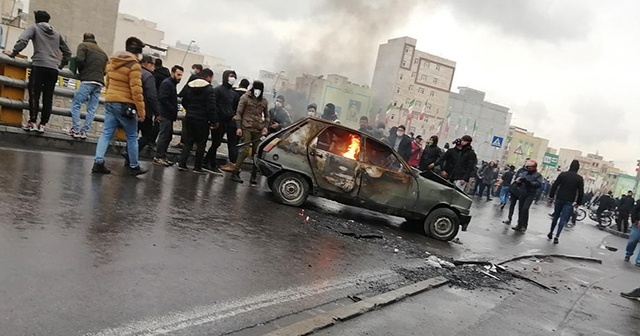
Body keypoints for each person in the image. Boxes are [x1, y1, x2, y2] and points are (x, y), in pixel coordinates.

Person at [4, 10, 71, 133]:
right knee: (48, 97)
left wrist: (13, 53)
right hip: (53, 69)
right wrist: (60, 65)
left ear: (36, 19)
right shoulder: (56, 33)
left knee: (34, 94)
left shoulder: (34, 28)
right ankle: (43, 124)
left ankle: (33, 121)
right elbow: (67, 52)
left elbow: (23, 41)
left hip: (39, 65)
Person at [91, 36, 146, 176]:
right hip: (125, 104)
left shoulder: (112, 61)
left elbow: (108, 82)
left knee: (106, 133)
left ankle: (98, 162)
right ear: (138, 53)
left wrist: (110, 97)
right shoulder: (134, 65)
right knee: (132, 136)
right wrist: (141, 111)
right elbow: (136, 90)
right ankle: (134, 166)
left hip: (110, 100)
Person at [68, 33, 108, 139]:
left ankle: (76, 129)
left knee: (76, 104)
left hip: (87, 80)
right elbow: (106, 70)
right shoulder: (103, 53)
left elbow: (80, 60)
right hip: (99, 82)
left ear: (84, 39)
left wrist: (80, 71)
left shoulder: (83, 46)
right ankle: (84, 131)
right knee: (91, 109)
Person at [177, 68, 216, 174]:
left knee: (188, 142)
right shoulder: (209, 89)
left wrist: (190, 110)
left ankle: (182, 164)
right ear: (208, 77)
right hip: (202, 120)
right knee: (201, 143)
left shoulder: (190, 86)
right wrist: (213, 121)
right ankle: (197, 167)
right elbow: (211, 107)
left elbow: (184, 101)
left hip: (189, 117)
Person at [231, 80, 269, 185]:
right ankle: (235, 171)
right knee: (245, 150)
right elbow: (238, 113)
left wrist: (265, 127)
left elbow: (267, 116)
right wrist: (238, 127)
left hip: (258, 128)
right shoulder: (245, 97)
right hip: (246, 127)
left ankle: (254, 175)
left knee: (257, 153)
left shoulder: (264, 101)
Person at [203, 70, 240, 175]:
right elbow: (214, 106)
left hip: (228, 122)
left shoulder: (234, 94)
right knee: (216, 142)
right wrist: (215, 120)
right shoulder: (218, 90)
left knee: (217, 143)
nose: (232, 78)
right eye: (231, 76)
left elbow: (234, 107)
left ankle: (207, 161)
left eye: (234, 76)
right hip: (218, 121)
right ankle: (209, 162)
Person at [153, 65, 183, 166]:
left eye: (181, 75)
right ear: (172, 73)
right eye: (178, 74)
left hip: (169, 115)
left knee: (168, 136)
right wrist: (172, 108)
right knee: (164, 136)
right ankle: (158, 157)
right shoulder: (167, 83)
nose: (180, 77)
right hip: (165, 114)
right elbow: (163, 98)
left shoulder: (171, 84)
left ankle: (163, 155)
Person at [547, 160, 584, 244]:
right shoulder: (579, 178)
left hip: (559, 198)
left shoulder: (563, 175)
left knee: (556, 216)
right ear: (578, 168)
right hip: (569, 201)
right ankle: (557, 236)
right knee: (563, 219)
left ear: (570, 166)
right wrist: (578, 202)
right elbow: (581, 192)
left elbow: (555, 185)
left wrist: (551, 196)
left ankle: (550, 232)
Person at [174, 64, 204, 149]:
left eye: (193, 69)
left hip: (190, 108)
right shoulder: (202, 80)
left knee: (186, 126)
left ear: (197, 69)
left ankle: (184, 143)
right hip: (198, 111)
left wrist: (179, 95)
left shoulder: (194, 77)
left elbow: (187, 87)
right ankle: (192, 145)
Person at [511, 160, 543, 232]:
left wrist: (529, 183)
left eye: (530, 167)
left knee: (525, 209)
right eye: (527, 167)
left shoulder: (538, 175)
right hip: (522, 192)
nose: (528, 168)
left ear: (534, 167)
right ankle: (519, 224)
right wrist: (518, 182)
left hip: (530, 194)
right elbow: (519, 181)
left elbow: (538, 184)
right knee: (520, 209)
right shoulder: (524, 173)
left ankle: (524, 225)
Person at [624, 198, 640, 266]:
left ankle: (639, 261)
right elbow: (634, 210)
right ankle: (628, 253)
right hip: (637, 225)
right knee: (633, 240)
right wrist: (635, 220)